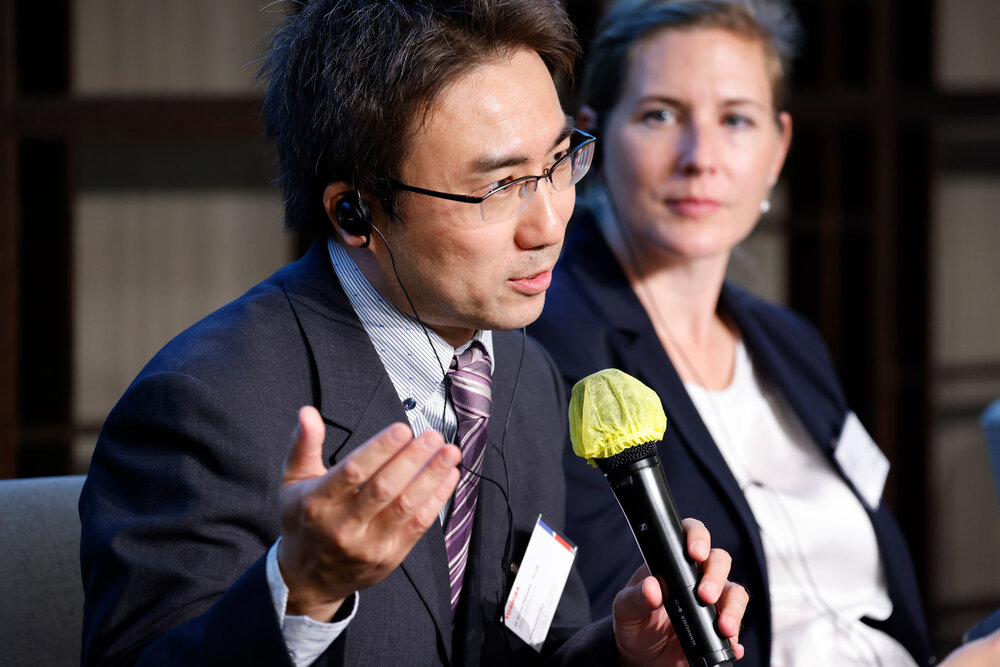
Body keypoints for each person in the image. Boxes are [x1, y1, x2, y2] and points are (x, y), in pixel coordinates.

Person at [78, 1, 749, 665]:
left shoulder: (520, 369)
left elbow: (528, 642)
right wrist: (301, 590)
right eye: (501, 185)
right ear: (355, 210)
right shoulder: (205, 402)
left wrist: (626, 653)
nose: (549, 223)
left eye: (556, 162)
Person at [529, 0, 933, 665]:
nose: (701, 157)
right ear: (591, 139)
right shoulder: (553, 341)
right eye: (660, 114)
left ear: (778, 148)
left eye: (736, 120)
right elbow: (592, 626)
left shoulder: (789, 339)